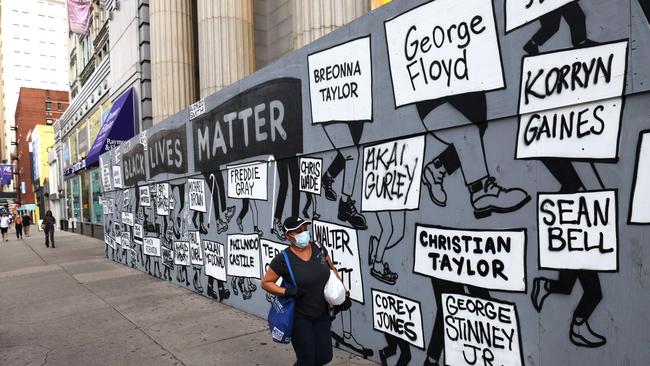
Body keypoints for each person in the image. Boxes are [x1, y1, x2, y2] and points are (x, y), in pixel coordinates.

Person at [262, 216, 345, 366]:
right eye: (298, 231)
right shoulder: (283, 259)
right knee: (307, 360)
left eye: (305, 229)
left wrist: (342, 292)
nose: (303, 233)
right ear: (288, 236)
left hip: (322, 313)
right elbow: (266, 283)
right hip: (300, 317)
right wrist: (287, 292)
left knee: (324, 357)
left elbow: (332, 269)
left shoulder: (318, 248)